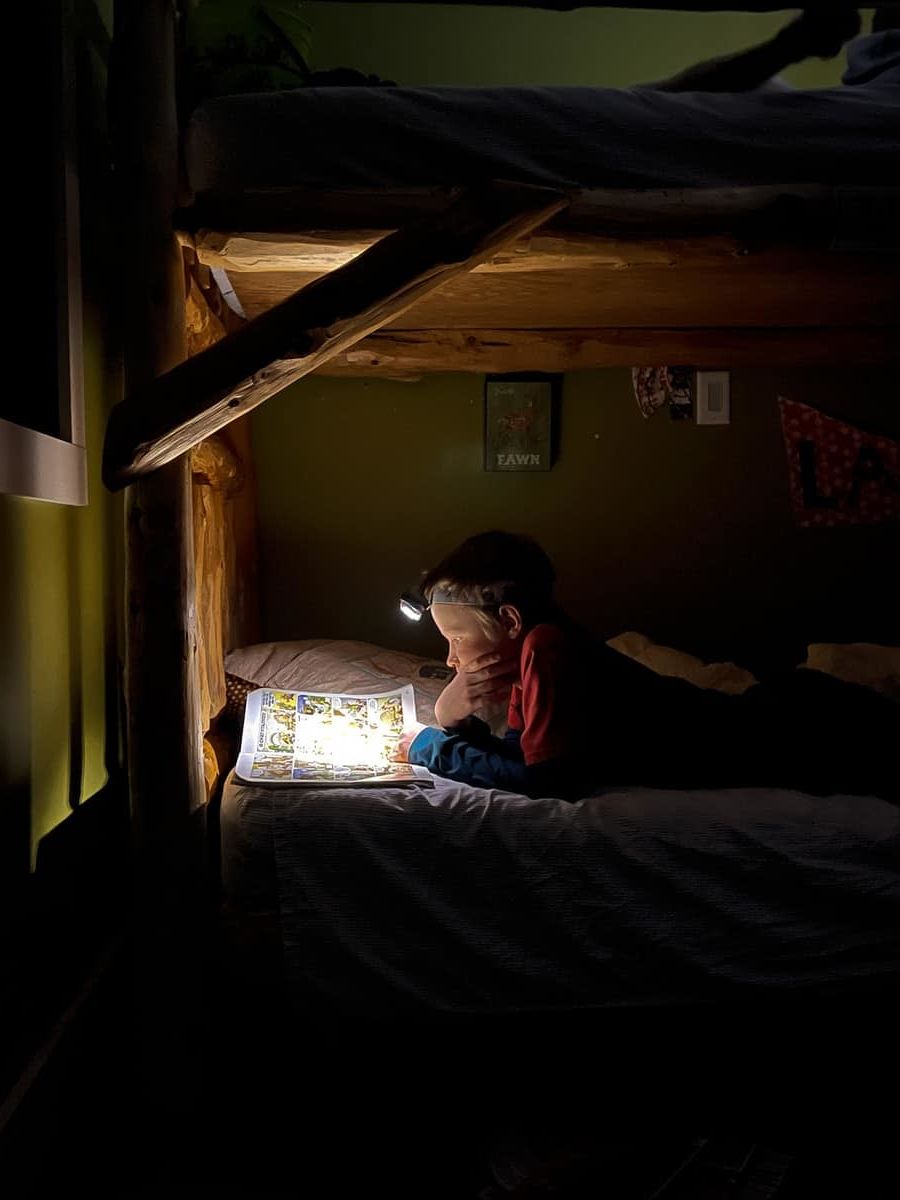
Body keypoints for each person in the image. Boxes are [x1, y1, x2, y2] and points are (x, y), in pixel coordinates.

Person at [398, 530, 898, 803]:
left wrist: (432, 747)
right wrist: (449, 716)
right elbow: (522, 753)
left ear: (508, 619)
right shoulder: (536, 646)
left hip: (781, 732)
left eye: (456, 638)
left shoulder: (547, 648)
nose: (451, 657)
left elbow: (548, 781)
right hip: (766, 715)